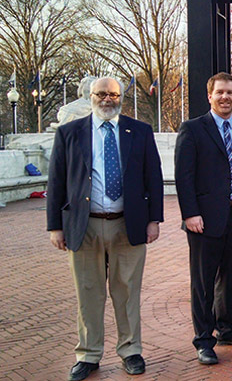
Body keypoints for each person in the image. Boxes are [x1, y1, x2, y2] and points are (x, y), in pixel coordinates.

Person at [47, 77, 163, 380]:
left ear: (121, 97)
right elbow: (56, 182)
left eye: (113, 94)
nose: (108, 99)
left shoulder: (139, 131)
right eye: (101, 94)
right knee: (89, 292)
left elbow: (154, 176)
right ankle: (88, 354)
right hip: (84, 225)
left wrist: (154, 220)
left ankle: (130, 350)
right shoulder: (69, 133)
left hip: (129, 223)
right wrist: (54, 227)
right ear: (90, 96)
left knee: (127, 291)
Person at [175, 72, 232, 366]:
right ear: (209, 96)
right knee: (203, 283)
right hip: (204, 221)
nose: (225, 97)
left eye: (230, 93)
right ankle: (204, 340)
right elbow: (184, 176)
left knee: (229, 278)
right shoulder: (193, 129)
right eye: (220, 92)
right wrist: (190, 214)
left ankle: (227, 329)